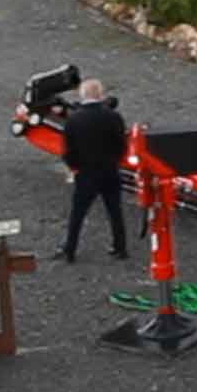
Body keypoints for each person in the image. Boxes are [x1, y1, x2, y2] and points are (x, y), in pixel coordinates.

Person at [60, 78, 131, 263]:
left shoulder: (74, 119)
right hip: (109, 171)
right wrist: (114, 161)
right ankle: (120, 247)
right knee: (115, 211)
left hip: (86, 173)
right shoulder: (113, 117)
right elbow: (122, 145)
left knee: (78, 213)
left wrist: (74, 167)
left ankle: (70, 249)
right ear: (101, 94)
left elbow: (68, 150)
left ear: (82, 95)